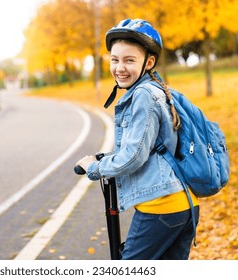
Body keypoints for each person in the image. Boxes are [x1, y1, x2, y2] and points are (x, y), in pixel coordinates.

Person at [76, 19, 199, 260]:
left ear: (149, 62)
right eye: (115, 59)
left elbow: (133, 157)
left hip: (161, 208)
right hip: (185, 205)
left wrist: (94, 167)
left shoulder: (144, 95)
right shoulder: (158, 88)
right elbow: (148, 145)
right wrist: (110, 158)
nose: (119, 67)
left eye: (129, 60)